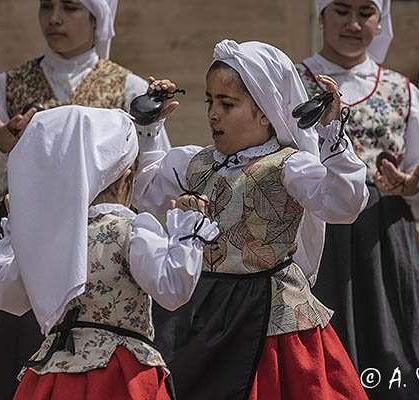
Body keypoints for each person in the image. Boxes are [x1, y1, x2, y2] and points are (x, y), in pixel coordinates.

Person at [134, 40, 370, 399]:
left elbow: (344, 204)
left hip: (270, 317)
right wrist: (150, 128)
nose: (214, 114)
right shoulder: (195, 163)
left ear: (265, 112)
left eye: (227, 104)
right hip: (203, 314)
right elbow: (145, 191)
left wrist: (331, 132)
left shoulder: (289, 166)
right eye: (210, 101)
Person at [0, 1, 171, 397]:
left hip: (105, 254)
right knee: (3, 363)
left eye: (71, 8)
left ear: (98, 18)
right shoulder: (5, 84)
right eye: (47, 7)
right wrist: (2, 150)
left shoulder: (127, 88)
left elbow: (148, 184)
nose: (55, 18)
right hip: (26, 247)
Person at [0, 105, 218, 400]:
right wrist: (188, 230)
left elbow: (6, 297)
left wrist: (16, 230)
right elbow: (172, 289)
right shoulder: (133, 230)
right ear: (125, 177)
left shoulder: (48, 236)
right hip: (120, 375)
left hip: (55, 376)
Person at [296, 1, 419, 399]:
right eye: (341, 11)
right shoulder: (292, 82)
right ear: (321, 16)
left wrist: (411, 185)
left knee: (391, 355)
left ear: (381, 22)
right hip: (317, 240)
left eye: (366, 12)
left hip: (385, 242)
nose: (354, 23)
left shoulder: (401, 90)